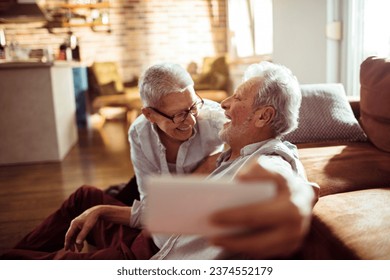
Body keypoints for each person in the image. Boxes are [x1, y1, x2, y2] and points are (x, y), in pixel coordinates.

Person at [0, 63, 226, 260]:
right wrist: (203, 170)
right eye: (179, 115)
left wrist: (104, 211)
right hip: (149, 225)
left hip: (158, 247)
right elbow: (152, 206)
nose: (192, 119)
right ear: (149, 115)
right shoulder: (140, 132)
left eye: (194, 105)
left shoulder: (219, 123)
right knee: (84, 197)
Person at [149, 61, 318, 259]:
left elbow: (285, 181)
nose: (224, 103)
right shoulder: (229, 156)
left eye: (237, 97)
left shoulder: (268, 159)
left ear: (263, 116)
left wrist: (299, 197)